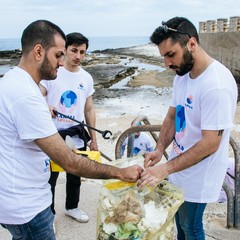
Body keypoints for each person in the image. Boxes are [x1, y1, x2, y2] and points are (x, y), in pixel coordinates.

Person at [0, 20, 143, 240]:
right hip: (26, 208)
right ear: (39, 51)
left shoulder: (11, 79)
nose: (61, 61)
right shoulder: (27, 96)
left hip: (13, 200)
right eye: (58, 54)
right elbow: (69, 162)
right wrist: (119, 172)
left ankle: (71, 205)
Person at [137, 17, 238, 239]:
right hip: (178, 166)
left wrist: (165, 169)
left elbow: (211, 143)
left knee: (190, 226)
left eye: (170, 54)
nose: (166, 63)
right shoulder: (182, 75)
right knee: (179, 223)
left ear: (191, 44)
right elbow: (172, 116)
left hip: (200, 173)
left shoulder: (216, 85)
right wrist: (159, 148)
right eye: (163, 56)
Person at [40, 32, 97, 223]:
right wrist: (45, 106)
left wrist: (94, 140)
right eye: (74, 50)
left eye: (82, 52)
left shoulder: (87, 78)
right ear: (64, 50)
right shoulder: (52, 73)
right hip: (52, 134)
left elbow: (89, 109)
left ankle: (72, 207)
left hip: (77, 134)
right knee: (50, 178)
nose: (78, 56)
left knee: (75, 174)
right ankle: (49, 216)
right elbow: (36, 96)